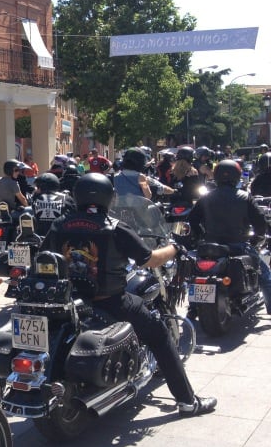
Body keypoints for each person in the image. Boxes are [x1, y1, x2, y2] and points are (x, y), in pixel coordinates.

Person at [41, 174, 217, 417]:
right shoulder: (114, 226)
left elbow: (44, 257)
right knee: (159, 335)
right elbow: (150, 260)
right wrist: (174, 248)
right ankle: (187, 402)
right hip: (112, 302)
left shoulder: (59, 225)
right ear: (108, 197)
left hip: (70, 301)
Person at [189, 160, 271, 314]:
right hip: (238, 245)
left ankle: (192, 307)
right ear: (237, 176)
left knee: (195, 274)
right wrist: (256, 239)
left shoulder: (206, 197)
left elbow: (193, 219)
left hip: (211, 246)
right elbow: (260, 223)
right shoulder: (244, 197)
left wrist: (200, 235)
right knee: (265, 275)